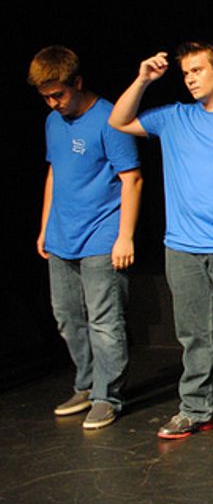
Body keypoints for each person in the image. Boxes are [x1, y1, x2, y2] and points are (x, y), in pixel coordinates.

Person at [109, 41, 213, 444]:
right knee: (194, 334)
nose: (190, 80)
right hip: (183, 245)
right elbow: (119, 121)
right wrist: (143, 79)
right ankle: (196, 409)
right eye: (185, 74)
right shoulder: (174, 118)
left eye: (197, 71)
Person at [29, 45, 142, 430]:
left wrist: (124, 236)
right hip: (62, 234)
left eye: (58, 94)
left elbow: (132, 179)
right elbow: (53, 174)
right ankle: (86, 384)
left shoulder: (110, 119)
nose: (53, 103)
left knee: (104, 321)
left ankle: (106, 394)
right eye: (46, 96)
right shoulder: (53, 122)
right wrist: (45, 226)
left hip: (101, 234)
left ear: (77, 82)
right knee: (67, 318)